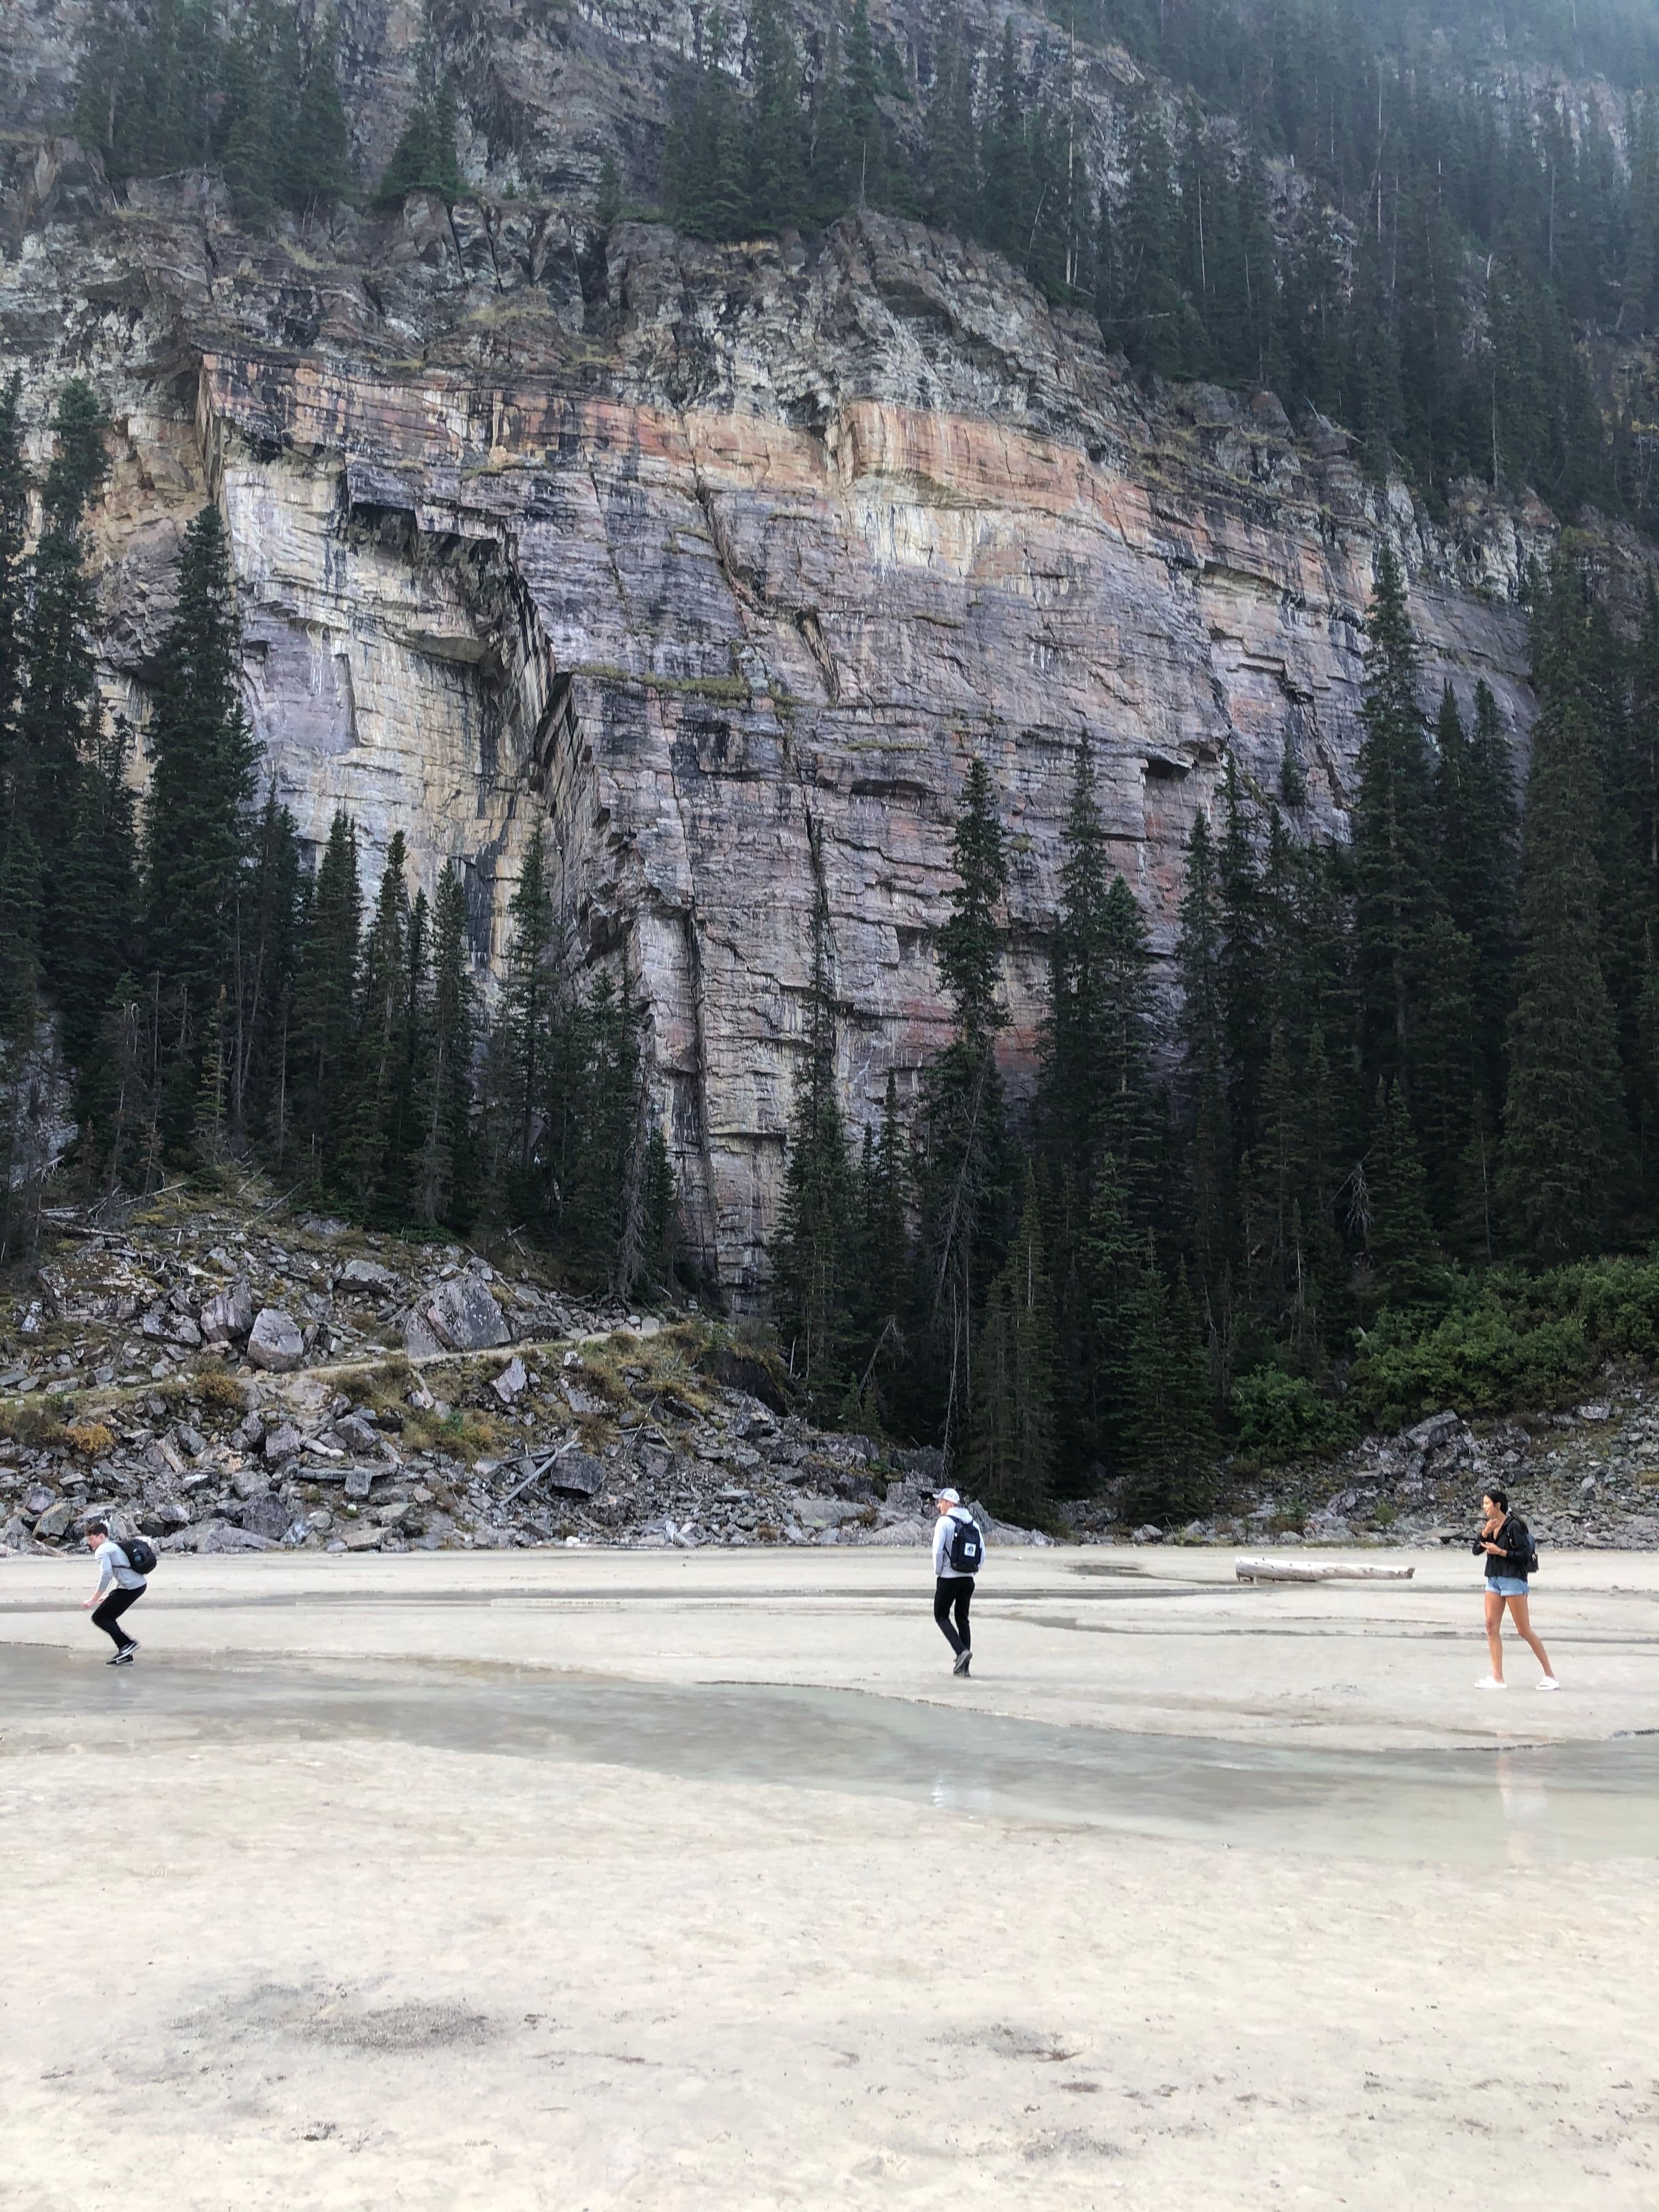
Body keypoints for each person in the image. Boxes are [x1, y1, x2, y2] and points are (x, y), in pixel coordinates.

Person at [1473, 1487, 1558, 1691]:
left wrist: (1501, 1552)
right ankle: (1498, 1678)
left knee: (1523, 1630)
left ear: (1498, 1505)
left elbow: (1524, 1555)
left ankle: (1550, 1676)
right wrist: (1484, 1533)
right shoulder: (1491, 1525)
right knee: (1491, 1626)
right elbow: (1476, 1550)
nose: (1484, 1507)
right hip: (1494, 1579)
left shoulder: (1514, 1526)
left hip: (1513, 1580)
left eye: (1487, 1504)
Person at [932, 1487, 983, 1677]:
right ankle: (965, 1668)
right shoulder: (973, 1524)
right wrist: (972, 1571)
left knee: (941, 1615)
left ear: (950, 1503)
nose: (939, 1506)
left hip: (948, 1578)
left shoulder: (944, 1522)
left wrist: (939, 1571)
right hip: (968, 1580)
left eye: (941, 1502)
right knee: (962, 1619)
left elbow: (937, 1551)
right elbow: (982, 1554)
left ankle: (961, 1652)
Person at [82, 1518, 146, 1665]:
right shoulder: (113, 1546)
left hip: (132, 1588)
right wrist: (110, 1596)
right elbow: (123, 1573)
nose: (89, 1543)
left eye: (91, 1539)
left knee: (100, 1617)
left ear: (101, 1537)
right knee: (107, 1616)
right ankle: (126, 1655)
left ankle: (127, 1644)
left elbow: (106, 1575)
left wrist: (93, 1599)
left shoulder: (102, 1550)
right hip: (136, 1586)